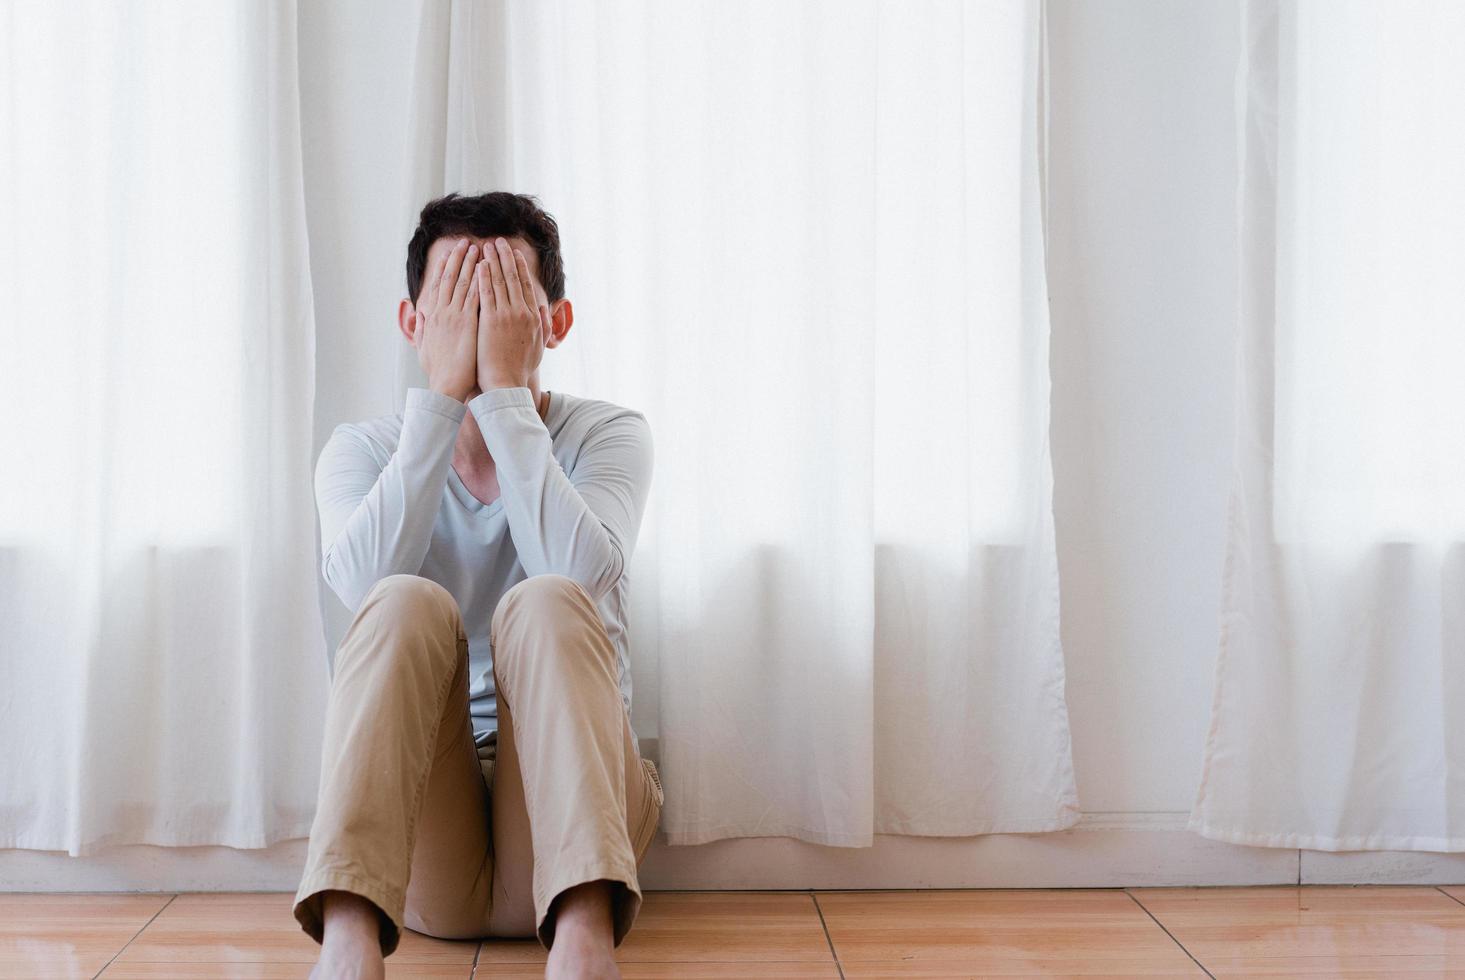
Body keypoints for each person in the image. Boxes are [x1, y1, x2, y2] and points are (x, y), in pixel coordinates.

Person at [293, 191, 661, 980]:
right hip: (429, 837)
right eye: (457, 302)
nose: (477, 319)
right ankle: (349, 942)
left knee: (548, 595)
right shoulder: (360, 451)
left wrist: (501, 399)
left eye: (500, 302)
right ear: (412, 322)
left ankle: (586, 942)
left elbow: (586, 577)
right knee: (399, 596)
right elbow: (358, 588)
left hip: (580, 819)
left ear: (553, 324)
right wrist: (439, 406)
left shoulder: (609, 433)